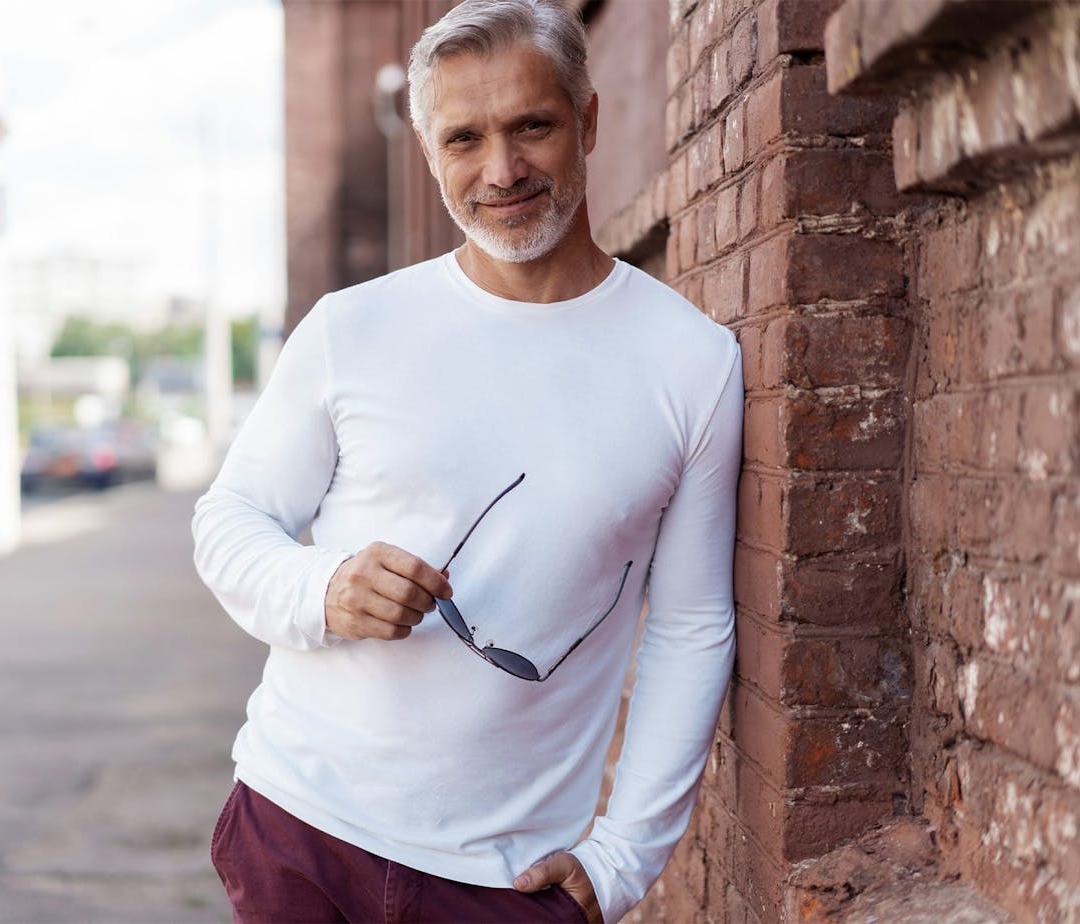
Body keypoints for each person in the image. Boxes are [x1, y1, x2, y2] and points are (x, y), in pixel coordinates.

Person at [192, 1, 742, 921]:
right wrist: (321, 590)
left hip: (507, 882)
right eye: (464, 138)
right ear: (428, 151)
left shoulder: (693, 363)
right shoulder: (351, 329)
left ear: (590, 120)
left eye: (533, 125)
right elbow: (229, 519)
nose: (502, 170)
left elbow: (690, 628)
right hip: (300, 831)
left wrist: (619, 861)